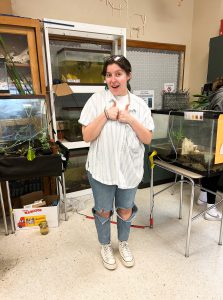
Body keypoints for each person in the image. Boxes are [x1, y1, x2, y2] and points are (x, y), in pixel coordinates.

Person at [79, 55, 154, 270]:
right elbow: (87, 136)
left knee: (125, 209)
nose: (113, 79)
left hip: (129, 169)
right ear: (105, 78)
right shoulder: (95, 101)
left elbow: (147, 139)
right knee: (103, 210)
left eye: (118, 74)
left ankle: (123, 243)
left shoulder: (139, 105)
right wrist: (105, 115)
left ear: (128, 76)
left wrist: (130, 119)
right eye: (109, 75)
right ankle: (105, 245)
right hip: (101, 169)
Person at [197, 65, 223, 220]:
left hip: (209, 140)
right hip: (215, 141)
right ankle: (210, 211)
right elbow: (218, 121)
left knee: (209, 171)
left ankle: (203, 198)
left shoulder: (219, 93)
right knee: (215, 173)